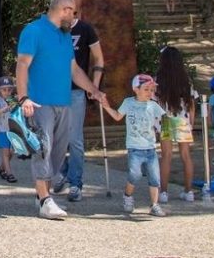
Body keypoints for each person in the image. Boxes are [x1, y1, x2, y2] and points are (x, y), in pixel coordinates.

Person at [15, 0, 107, 220]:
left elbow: (74, 69)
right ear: (62, 9)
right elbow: (22, 64)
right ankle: (46, 200)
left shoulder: (65, 37)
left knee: (57, 153)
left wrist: (93, 90)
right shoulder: (34, 31)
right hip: (39, 102)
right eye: (72, 11)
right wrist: (23, 97)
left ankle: (42, 197)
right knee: (42, 149)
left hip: (64, 102)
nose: (74, 16)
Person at [53, 13, 106, 202]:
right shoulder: (54, 29)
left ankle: (75, 183)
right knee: (54, 137)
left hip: (76, 91)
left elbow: (99, 58)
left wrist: (94, 85)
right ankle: (63, 172)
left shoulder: (85, 30)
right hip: (54, 90)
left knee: (74, 139)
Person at [100, 74, 167, 217]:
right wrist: (106, 107)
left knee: (155, 177)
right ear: (136, 89)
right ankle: (128, 195)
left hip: (150, 148)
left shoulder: (153, 105)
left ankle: (154, 204)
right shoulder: (128, 103)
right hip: (135, 148)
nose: (150, 93)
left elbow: (164, 119)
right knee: (134, 174)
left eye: (152, 90)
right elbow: (118, 116)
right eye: (146, 89)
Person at [154, 46, 196, 202]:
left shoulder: (158, 79)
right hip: (182, 119)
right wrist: (191, 121)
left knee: (166, 156)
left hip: (164, 120)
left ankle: (163, 192)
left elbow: (154, 102)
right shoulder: (186, 79)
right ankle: (189, 191)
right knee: (186, 156)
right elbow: (191, 103)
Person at [0, 76, 18, 183]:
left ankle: (1, 168)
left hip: (12, 130)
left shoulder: (13, 100)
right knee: (6, 152)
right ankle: (9, 173)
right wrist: (4, 108)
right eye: (4, 90)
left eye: (9, 89)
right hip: (2, 130)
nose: (7, 92)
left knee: (11, 152)